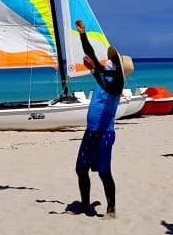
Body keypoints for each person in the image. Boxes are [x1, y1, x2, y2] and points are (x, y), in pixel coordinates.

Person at [73, 18, 123, 219]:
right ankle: (85, 205)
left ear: (118, 67)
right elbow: (91, 54)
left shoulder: (116, 83)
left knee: (104, 172)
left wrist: (94, 70)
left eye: (114, 60)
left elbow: (105, 86)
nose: (109, 61)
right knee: (80, 169)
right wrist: (82, 34)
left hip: (104, 134)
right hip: (90, 132)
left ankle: (111, 210)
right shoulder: (104, 73)